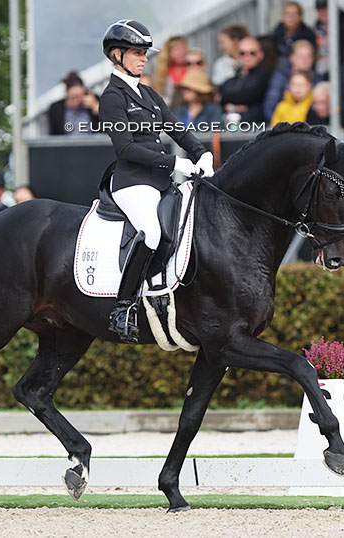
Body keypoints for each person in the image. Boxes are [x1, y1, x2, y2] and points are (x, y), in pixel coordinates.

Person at [100, 19, 213, 343]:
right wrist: (177, 161)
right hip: (132, 181)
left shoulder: (147, 93)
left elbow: (177, 127)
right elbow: (126, 148)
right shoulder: (112, 97)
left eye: (145, 53)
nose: (143, 58)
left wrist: (200, 152)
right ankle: (123, 308)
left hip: (161, 181)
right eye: (137, 52)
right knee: (151, 232)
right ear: (117, 54)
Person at [263, 40, 322, 121]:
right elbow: (270, 107)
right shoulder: (280, 77)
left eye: (308, 56)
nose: (305, 60)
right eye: (300, 56)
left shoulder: (318, 80)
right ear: (291, 57)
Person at [219, 37, 272, 123]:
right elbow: (222, 93)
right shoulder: (235, 78)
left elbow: (250, 94)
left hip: (256, 126)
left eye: (252, 53)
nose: (247, 57)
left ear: (260, 55)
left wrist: (230, 104)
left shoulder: (264, 76)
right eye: (242, 53)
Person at [313, 0, 344, 78]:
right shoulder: (317, 26)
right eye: (319, 11)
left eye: (325, 9)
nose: (322, 13)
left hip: (341, 69)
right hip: (320, 68)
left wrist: (334, 46)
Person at [48, 71, 100, 135]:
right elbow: (53, 135)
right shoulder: (56, 109)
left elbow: (109, 125)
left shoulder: (94, 101)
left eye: (80, 96)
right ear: (67, 94)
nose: (77, 100)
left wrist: (95, 107)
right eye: (73, 97)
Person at [152, 35, 188, 107]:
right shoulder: (163, 72)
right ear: (168, 53)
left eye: (183, 48)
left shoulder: (191, 66)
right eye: (176, 50)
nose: (181, 52)